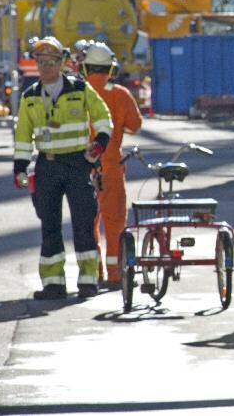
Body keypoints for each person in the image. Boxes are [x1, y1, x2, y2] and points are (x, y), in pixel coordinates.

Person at [13, 36, 112, 300]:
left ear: (61, 63)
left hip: (78, 164)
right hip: (48, 165)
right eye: (41, 62)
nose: (45, 67)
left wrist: (100, 142)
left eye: (51, 62)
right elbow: (23, 135)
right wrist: (20, 166)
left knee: (83, 223)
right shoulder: (30, 97)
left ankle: (88, 281)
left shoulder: (80, 89)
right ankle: (53, 284)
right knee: (50, 225)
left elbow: (103, 117)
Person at [80, 41, 142, 289]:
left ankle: (93, 274)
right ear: (111, 69)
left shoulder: (78, 92)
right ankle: (116, 274)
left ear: (86, 68)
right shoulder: (119, 94)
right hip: (112, 168)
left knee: (87, 222)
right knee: (115, 222)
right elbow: (135, 126)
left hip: (83, 168)